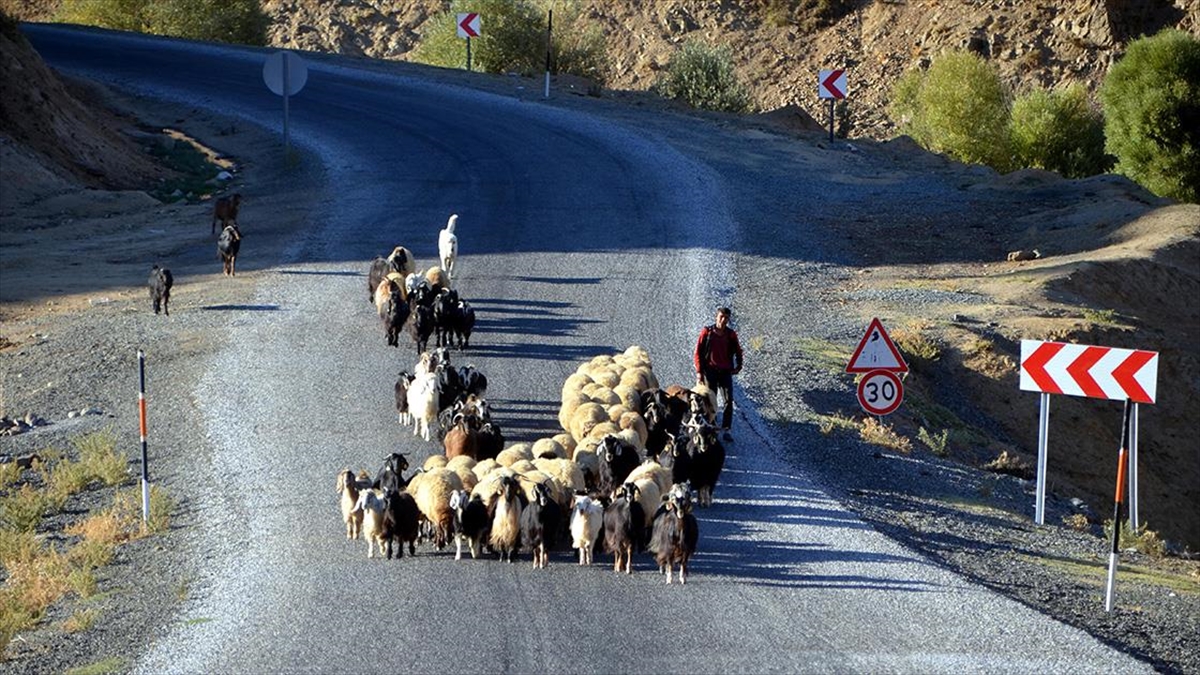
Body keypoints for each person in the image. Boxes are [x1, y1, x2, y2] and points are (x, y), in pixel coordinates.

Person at [694, 306, 743, 441]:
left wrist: (738, 366)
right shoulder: (707, 332)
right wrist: (699, 372)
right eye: (721, 317)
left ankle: (727, 429)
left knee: (728, 401)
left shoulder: (731, 334)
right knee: (711, 400)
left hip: (725, 371)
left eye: (726, 318)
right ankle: (712, 426)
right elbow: (698, 352)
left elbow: (738, 351)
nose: (723, 320)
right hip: (710, 371)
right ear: (716, 317)